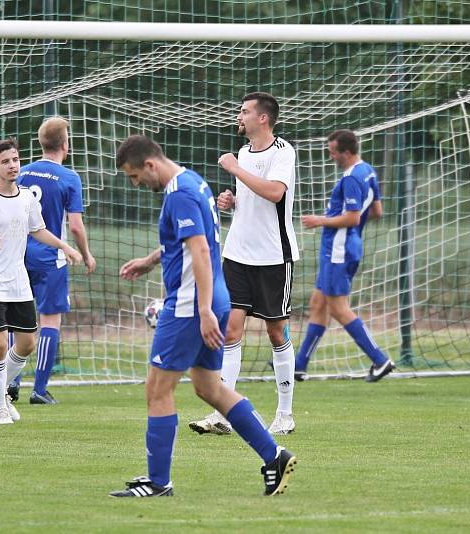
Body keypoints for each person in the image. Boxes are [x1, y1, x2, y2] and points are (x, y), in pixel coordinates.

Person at [110, 134, 296, 498]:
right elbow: (193, 241)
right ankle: (274, 455)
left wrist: (204, 310)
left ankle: (158, 482)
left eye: (134, 176)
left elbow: (198, 249)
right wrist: (150, 261)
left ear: (150, 165)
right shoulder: (192, 181)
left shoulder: (179, 193)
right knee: (210, 388)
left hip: (189, 305)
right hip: (211, 300)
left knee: (157, 390)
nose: (135, 184)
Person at [189, 92, 300, 436]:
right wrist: (233, 200)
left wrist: (235, 170)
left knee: (275, 331)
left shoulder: (283, 151)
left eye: (245, 111)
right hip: (237, 253)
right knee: (230, 331)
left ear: (263, 118)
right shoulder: (242, 152)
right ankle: (224, 413)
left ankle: (285, 414)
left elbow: (276, 193)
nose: (239, 116)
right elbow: (254, 198)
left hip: (272, 256)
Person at [0, 138, 82, 425]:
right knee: (0, 344)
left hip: (18, 281)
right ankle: (1, 405)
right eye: (5, 161)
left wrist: (65, 247)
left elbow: (38, 230)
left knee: (26, 344)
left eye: (15, 160)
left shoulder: (27, 197)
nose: (12, 165)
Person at [6, 117, 97, 405]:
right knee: (50, 321)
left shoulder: (22, 173)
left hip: (19, 256)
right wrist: (85, 253)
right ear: (65, 145)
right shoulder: (70, 178)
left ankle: (10, 382)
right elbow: (75, 226)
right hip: (51, 258)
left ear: (41, 143)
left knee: (18, 320)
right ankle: (40, 389)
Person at [296, 129, 394, 382]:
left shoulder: (351, 177)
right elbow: (377, 211)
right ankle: (299, 365)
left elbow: (351, 217)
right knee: (318, 304)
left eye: (333, 152)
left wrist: (321, 220)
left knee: (339, 309)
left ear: (346, 152)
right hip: (348, 245)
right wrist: (354, 226)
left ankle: (380, 360)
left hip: (338, 249)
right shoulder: (368, 170)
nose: (331, 157)